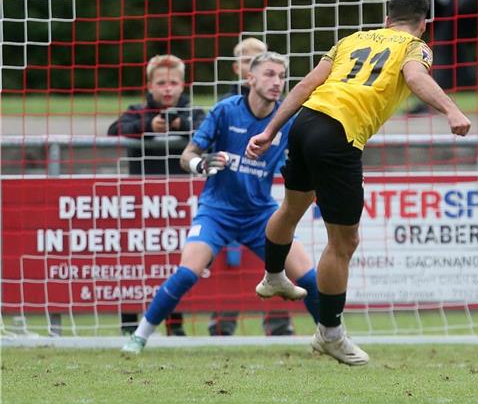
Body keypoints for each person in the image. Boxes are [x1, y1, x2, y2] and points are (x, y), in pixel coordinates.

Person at [246, 0, 471, 365]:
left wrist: (270, 131)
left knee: (292, 206)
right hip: (338, 135)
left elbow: (305, 86)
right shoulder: (415, 47)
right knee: (344, 241)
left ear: (386, 18)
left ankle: (272, 275)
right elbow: (415, 78)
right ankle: (330, 334)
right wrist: (451, 110)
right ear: (423, 24)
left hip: (305, 123)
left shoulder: (352, 40)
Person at [121, 52, 320, 354]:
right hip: (217, 211)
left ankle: (332, 335)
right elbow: (186, 155)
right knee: (187, 272)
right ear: (249, 78)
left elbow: (308, 158)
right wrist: (202, 164)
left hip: (260, 214)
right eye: (269, 74)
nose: (277, 82)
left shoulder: (287, 120)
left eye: (282, 76)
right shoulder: (226, 111)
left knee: (310, 277)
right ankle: (139, 336)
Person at [108, 54, 205, 336]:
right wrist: (148, 128)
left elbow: (207, 129)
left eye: (173, 82)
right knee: (133, 264)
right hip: (141, 206)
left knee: (178, 265)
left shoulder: (194, 113)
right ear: (150, 86)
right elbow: (114, 130)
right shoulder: (137, 112)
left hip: (180, 206)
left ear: (182, 85)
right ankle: (128, 327)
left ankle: (176, 329)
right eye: (161, 83)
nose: (167, 89)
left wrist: (180, 126)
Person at [210, 36, 296, 337]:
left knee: (275, 261)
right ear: (241, 71)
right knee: (229, 265)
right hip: (225, 204)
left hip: (258, 203)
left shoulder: (282, 110)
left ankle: (278, 321)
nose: (260, 67)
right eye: (250, 61)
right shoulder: (226, 107)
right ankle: (222, 321)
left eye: (263, 58)